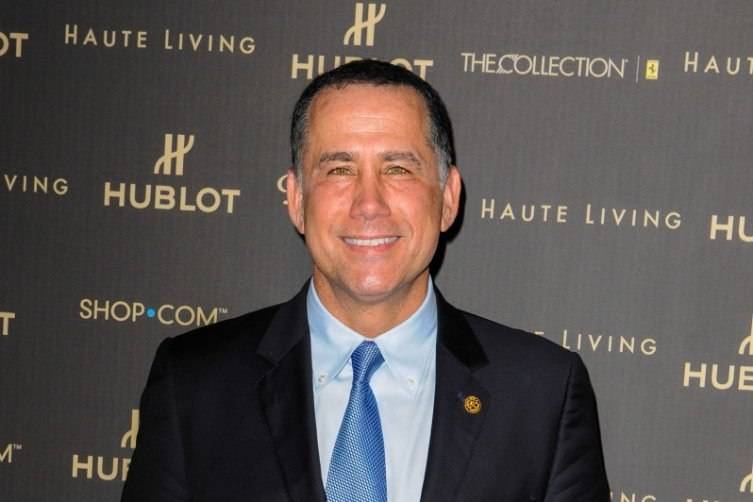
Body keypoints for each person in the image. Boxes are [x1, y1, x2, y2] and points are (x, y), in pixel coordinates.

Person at [122, 59, 610, 502]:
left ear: (448, 198)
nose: (369, 204)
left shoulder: (542, 394)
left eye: (398, 169)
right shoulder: (194, 385)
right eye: (340, 169)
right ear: (296, 199)